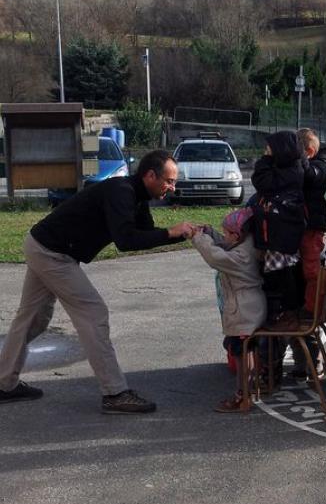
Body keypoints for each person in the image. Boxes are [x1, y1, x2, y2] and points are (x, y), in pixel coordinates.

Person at [0, 150, 196, 414]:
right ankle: (114, 393)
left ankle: (4, 384)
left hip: (43, 246)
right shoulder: (121, 192)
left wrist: (180, 235)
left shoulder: (136, 196)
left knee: (32, 319)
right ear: (150, 175)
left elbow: (145, 233)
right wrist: (170, 233)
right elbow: (126, 240)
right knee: (93, 313)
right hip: (52, 253)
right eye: (169, 181)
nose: (172, 188)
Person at [192, 208, 266, 412]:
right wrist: (210, 233)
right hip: (249, 308)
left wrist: (199, 238)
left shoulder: (241, 256)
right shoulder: (247, 244)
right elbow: (226, 245)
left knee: (241, 354)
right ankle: (246, 392)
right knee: (244, 350)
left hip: (244, 311)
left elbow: (216, 256)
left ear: (237, 234)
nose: (224, 236)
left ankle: (242, 397)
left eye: (226, 233)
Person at [250, 131, 306, 387]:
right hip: (277, 235)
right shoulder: (290, 168)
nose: (266, 151)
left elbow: (261, 180)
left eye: (270, 148)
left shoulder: (291, 172)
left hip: (282, 238)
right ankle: (271, 368)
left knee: (280, 280)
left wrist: (264, 159)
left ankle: (288, 314)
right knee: (278, 280)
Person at [290, 128, 326, 380]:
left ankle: (313, 358)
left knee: (311, 275)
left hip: (310, 229)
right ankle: (299, 362)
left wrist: (299, 159)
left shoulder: (319, 165)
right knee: (295, 291)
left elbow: (312, 176)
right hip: (294, 232)